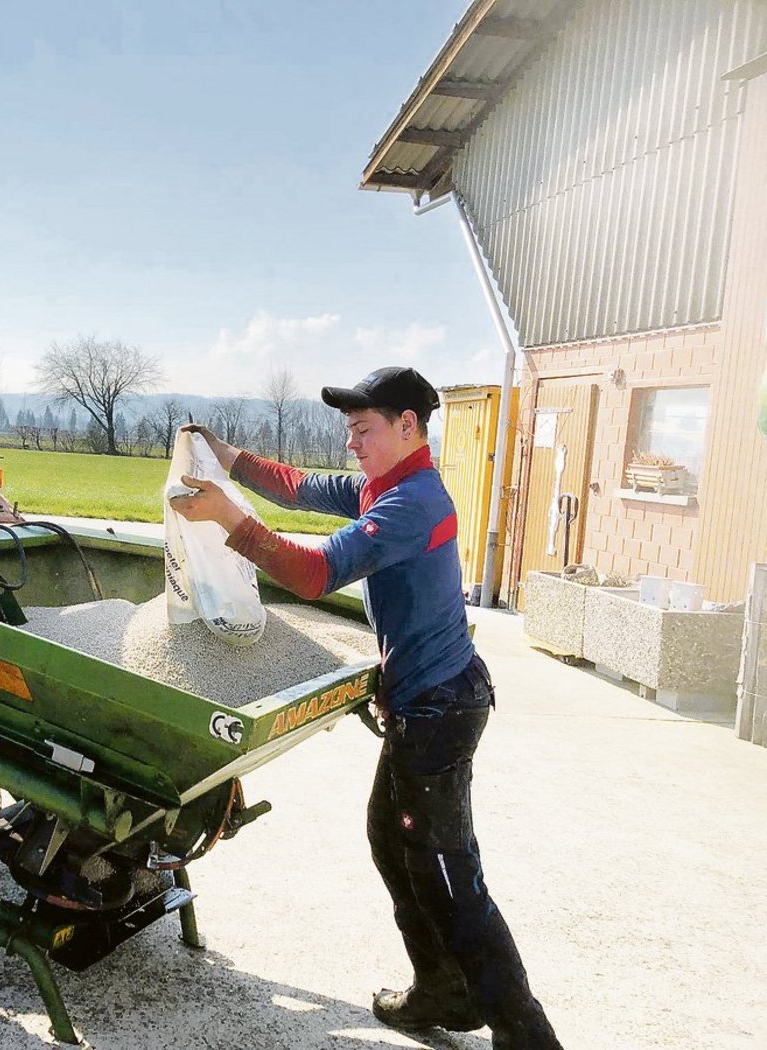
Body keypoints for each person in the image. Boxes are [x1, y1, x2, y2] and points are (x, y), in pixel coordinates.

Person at [170, 366, 562, 1050]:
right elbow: (299, 486)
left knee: (447, 873)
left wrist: (230, 517)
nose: (352, 443)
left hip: (439, 711)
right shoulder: (384, 489)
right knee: (392, 841)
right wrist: (225, 456)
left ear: (408, 426)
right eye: (348, 430)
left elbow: (315, 572)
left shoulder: (413, 504)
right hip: (424, 703)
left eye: (364, 429)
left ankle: (524, 1030)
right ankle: (442, 989)